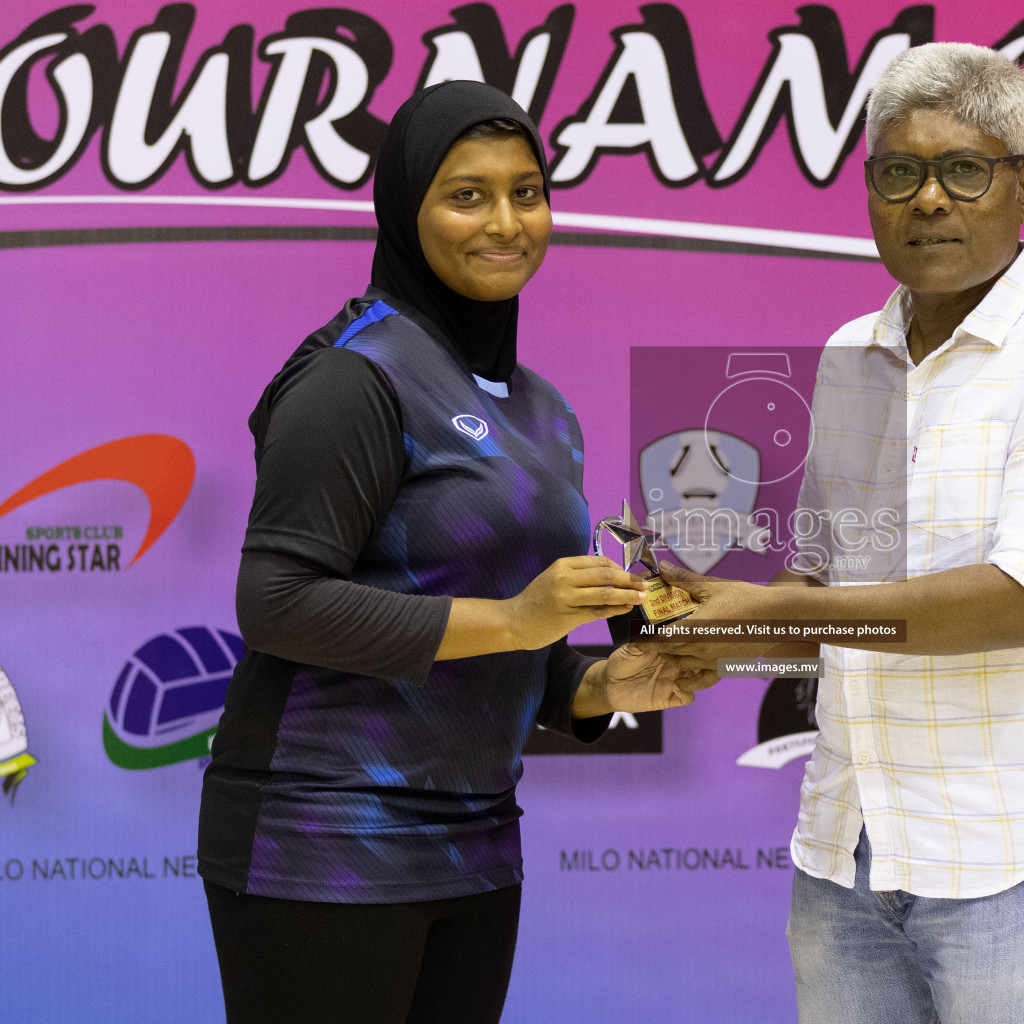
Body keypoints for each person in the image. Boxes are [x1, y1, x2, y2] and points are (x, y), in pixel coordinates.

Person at [659, 43, 1024, 1024]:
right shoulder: (856, 353)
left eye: (962, 170)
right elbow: (830, 588)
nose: (927, 199)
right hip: (847, 851)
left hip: (1013, 853)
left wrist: (781, 606)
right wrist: (709, 622)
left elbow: (1020, 603)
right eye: (899, 172)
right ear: (870, 192)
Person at [197, 81, 710, 1024]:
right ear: (407, 209)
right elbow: (277, 601)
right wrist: (520, 618)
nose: (506, 222)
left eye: (527, 191)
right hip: (323, 837)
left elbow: (497, 636)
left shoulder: (544, 408)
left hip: (477, 840)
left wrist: (599, 688)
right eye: (466, 194)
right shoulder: (356, 376)